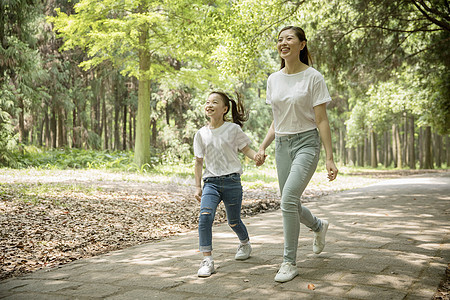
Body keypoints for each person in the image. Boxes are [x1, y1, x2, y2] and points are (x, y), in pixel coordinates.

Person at [256, 26, 338, 283]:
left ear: (302, 45)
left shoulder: (313, 77)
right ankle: (318, 226)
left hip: (307, 143)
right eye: (280, 40)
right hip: (282, 145)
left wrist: (329, 157)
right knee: (289, 202)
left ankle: (289, 262)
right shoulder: (273, 79)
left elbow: (322, 119)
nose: (283, 43)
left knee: (289, 199)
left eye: (289, 39)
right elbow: (276, 120)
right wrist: (262, 146)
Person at [193, 91, 264, 277]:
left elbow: (246, 149)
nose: (209, 105)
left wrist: (256, 156)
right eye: (207, 101)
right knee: (205, 217)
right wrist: (197, 186)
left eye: (214, 102)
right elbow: (198, 161)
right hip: (211, 183)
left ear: (224, 109)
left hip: (232, 181)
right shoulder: (201, 134)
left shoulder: (233, 129)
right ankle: (207, 259)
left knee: (233, 221)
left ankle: (245, 243)